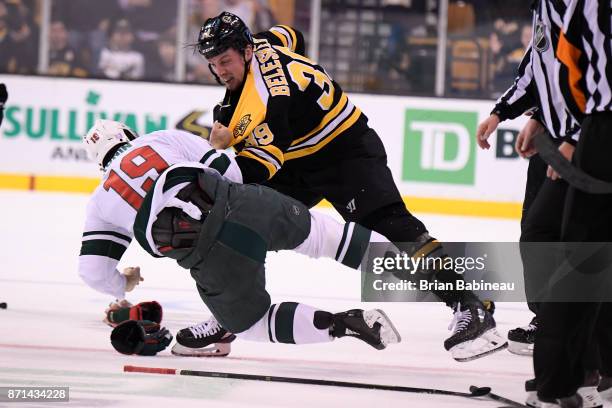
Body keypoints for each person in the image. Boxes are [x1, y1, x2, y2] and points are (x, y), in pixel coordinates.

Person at [194, 11, 505, 361]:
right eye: (213, 62)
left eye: (226, 60)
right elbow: (292, 34)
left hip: (346, 154)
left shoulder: (269, 100)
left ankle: (472, 307)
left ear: (247, 52)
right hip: (302, 159)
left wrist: (220, 155)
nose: (220, 70)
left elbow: (263, 166)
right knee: (247, 221)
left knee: (394, 229)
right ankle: (231, 314)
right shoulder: (265, 43)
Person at [78, 118, 401, 356]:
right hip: (243, 203)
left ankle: (345, 323)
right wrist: (218, 148)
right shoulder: (159, 139)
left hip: (212, 256)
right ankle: (430, 273)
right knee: (324, 235)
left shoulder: (101, 202)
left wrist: (122, 283)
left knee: (252, 325)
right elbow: (232, 172)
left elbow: (92, 272)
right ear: (129, 135)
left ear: (99, 163)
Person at [476, 0, 608, 405]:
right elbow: (544, 65)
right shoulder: (547, 7)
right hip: (570, 133)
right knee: (547, 238)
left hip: (588, 135)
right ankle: (567, 355)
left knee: (576, 250)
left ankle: (572, 368)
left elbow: (588, 74)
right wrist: (518, 112)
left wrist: (573, 137)